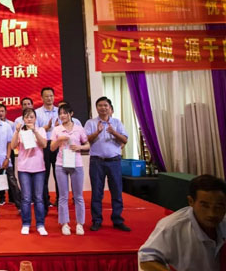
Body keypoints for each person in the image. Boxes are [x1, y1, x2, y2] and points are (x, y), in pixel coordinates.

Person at [138, 174, 226, 271]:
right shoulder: (172, 227)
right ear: (191, 201)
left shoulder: (224, 222)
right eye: (205, 206)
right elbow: (146, 260)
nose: (212, 214)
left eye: (218, 207)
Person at [85, 96, 130, 232]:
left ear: (110, 107)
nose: (103, 108)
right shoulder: (91, 123)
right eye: (100, 105)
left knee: (116, 191)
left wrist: (113, 132)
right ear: (96, 108)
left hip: (114, 161)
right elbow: (85, 140)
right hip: (97, 162)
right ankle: (97, 220)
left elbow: (125, 140)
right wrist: (97, 132)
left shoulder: (116, 122)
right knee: (97, 192)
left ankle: (117, 220)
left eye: (105, 105)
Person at [50, 104, 89, 236]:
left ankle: (80, 224)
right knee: (63, 196)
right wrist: (59, 140)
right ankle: (65, 223)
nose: (62, 116)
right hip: (61, 164)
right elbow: (52, 148)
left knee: (78, 196)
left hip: (76, 164)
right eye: (60, 113)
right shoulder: (57, 129)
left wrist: (80, 147)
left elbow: (87, 144)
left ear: (71, 114)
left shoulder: (79, 128)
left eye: (65, 113)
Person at [11, 108, 48, 235]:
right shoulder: (20, 131)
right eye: (26, 117)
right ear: (23, 119)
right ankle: (26, 223)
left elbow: (44, 145)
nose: (29, 119)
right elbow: (13, 146)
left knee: (39, 198)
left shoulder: (41, 130)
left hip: (39, 168)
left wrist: (35, 131)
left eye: (31, 117)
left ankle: (40, 224)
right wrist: (16, 131)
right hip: (24, 168)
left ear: (35, 118)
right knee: (26, 198)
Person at [35, 87, 59, 211]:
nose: (49, 98)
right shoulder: (37, 113)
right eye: (46, 96)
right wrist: (46, 128)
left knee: (59, 174)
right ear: (42, 98)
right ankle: (45, 202)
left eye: (51, 96)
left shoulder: (60, 112)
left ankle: (60, 201)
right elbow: (34, 131)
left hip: (58, 144)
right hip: (44, 146)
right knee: (44, 175)